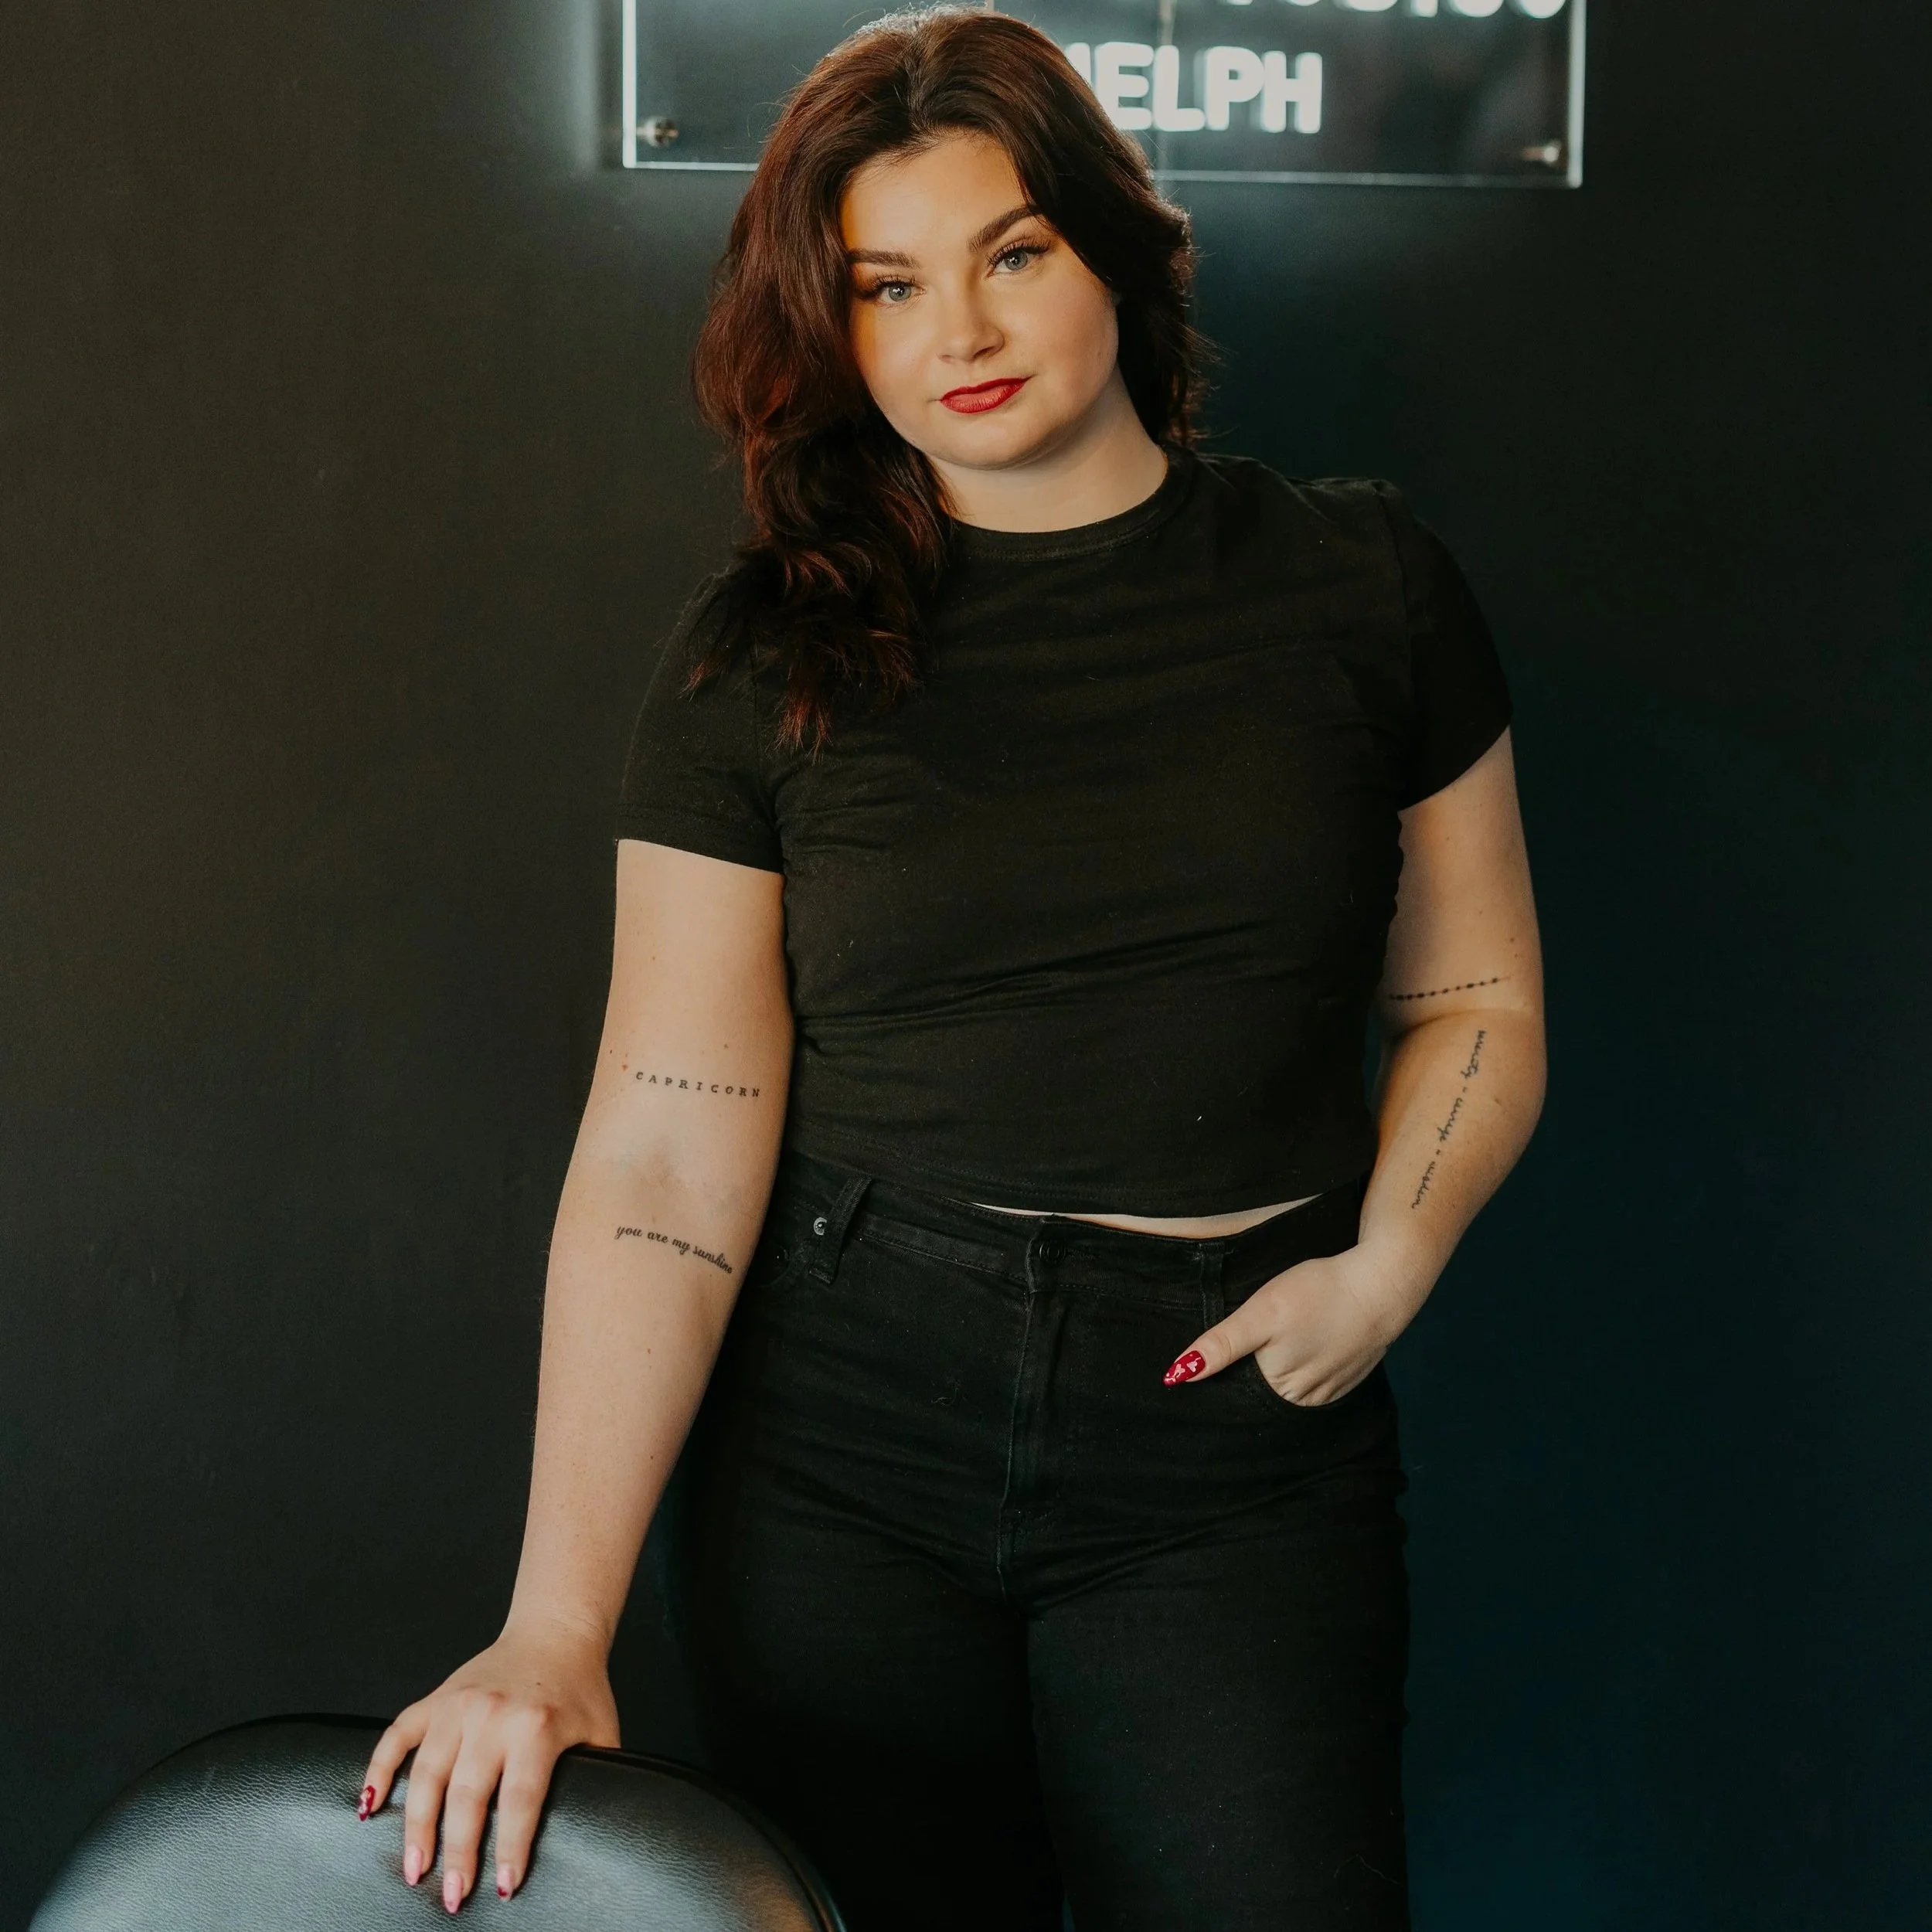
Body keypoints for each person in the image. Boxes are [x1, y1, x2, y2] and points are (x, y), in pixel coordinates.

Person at [357, 9, 1546, 1928]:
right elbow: (666, 1141)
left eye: (1009, 254)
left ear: (1112, 246)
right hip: (845, 1424)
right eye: (885, 286)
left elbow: (1470, 999)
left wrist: (1390, 1260)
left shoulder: (1360, 584)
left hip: (1231, 1430)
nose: (957, 335)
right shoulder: (764, 648)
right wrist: (550, 1624)